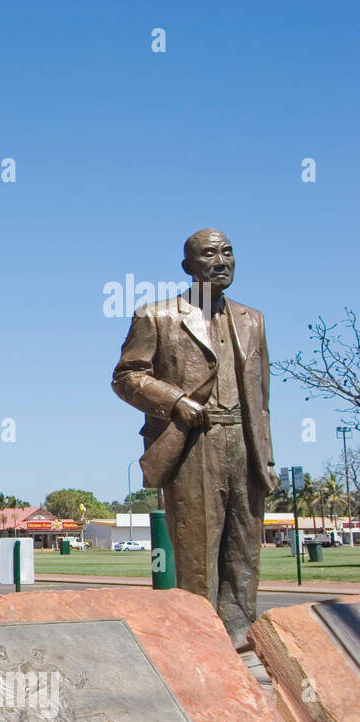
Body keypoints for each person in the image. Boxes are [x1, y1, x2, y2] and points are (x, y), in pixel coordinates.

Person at [112, 229, 275, 648]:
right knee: (198, 553)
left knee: (243, 551)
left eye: (227, 252)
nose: (221, 261)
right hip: (192, 444)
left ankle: (241, 640)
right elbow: (127, 377)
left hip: (243, 444)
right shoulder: (157, 316)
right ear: (188, 267)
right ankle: (202, 645)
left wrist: (266, 461)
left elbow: (262, 398)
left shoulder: (251, 319)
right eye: (208, 254)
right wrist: (177, 401)